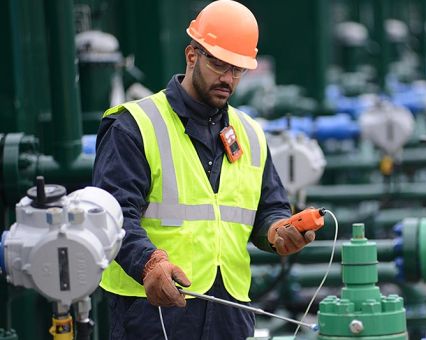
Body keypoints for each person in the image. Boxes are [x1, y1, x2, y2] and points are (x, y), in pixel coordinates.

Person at [93, 1, 317, 339]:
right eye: (218, 64)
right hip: (153, 311)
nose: (228, 78)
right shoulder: (135, 126)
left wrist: (278, 232)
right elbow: (113, 214)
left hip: (229, 313)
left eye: (237, 69)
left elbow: (268, 209)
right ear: (192, 55)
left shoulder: (250, 133)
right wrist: (149, 263)